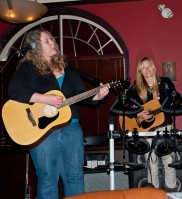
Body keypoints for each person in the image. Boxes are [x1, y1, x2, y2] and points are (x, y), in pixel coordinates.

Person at [7, 29, 109, 199]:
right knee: (48, 180)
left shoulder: (68, 70)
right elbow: (15, 90)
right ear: (36, 47)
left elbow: (81, 94)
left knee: (75, 178)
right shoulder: (28, 68)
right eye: (47, 41)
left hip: (72, 127)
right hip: (43, 131)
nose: (53, 43)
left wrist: (98, 95)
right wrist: (44, 99)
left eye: (52, 40)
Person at [125, 56, 180, 191]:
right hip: (146, 129)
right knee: (151, 162)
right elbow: (125, 107)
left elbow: (175, 99)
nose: (147, 69)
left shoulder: (165, 83)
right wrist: (138, 114)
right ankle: (153, 193)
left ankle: (171, 190)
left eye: (149, 66)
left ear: (154, 68)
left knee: (168, 159)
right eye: (143, 68)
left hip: (164, 126)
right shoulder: (135, 88)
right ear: (140, 72)